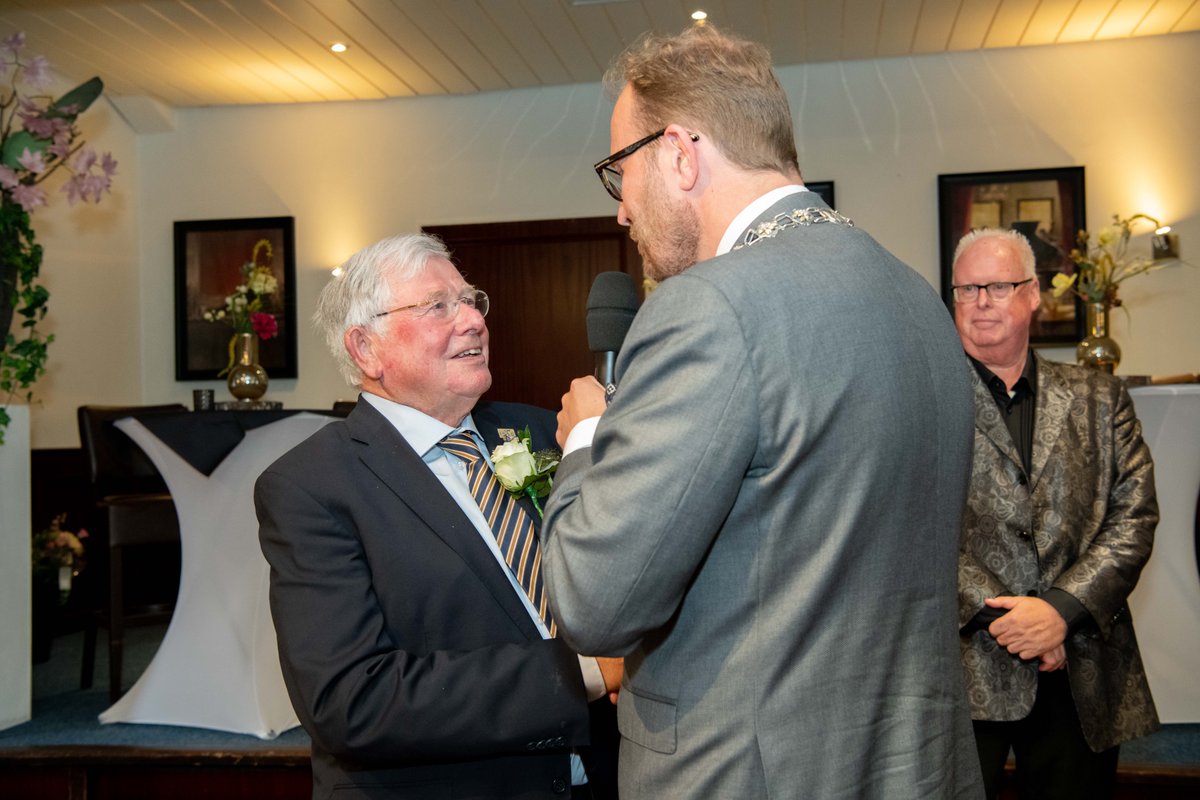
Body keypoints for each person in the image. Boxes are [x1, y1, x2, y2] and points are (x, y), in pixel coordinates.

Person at [539, 25, 984, 798]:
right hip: (914, 768)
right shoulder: (917, 297)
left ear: (679, 153)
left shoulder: (706, 307)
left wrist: (587, 442)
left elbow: (595, 603)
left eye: (621, 174)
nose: (621, 213)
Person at [255, 233, 620, 800]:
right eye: (438, 306)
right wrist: (586, 672)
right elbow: (353, 702)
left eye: (472, 299)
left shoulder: (548, 430)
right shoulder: (311, 487)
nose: (473, 319)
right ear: (365, 349)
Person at [951, 228, 1160, 799]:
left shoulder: (1100, 397)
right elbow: (909, 522)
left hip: (1081, 666)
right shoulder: (924, 399)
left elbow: (1133, 516)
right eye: (966, 290)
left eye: (997, 285)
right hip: (966, 668)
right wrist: (1014, 623)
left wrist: (1061, 613)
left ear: (1034, 294)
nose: (981, 302)